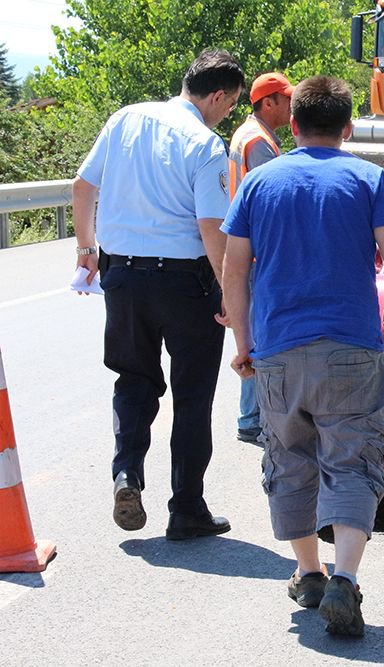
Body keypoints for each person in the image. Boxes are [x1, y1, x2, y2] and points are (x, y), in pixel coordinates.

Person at [221, 75, 384, 636]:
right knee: (353, 459)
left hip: (279, 349)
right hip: (352, 346)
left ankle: (308, 572)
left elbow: (235, 269)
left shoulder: (260, 184)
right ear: (348, 128)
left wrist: (243, 343)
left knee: (289, 459)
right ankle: (345, 580)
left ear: (295, 125)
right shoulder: (368, 178)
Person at [71, 48, 244, 540]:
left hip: (121, 276)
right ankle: (186, 507)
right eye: (229, 104)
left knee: (133, 379)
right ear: (216, 96)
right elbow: (212, 228)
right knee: (192, 396)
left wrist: (87, 248)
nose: (226, 113)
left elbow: (83, 188)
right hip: (186, 283)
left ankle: (127, 472)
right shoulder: (205, 144)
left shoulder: (125, 119)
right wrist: (230, 292)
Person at [227, 71, 295, 445]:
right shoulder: (259, 142)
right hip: (258, 251)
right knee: (260, 337)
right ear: (268, 102)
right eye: (286, 100)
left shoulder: (246, 133)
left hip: (247, 247)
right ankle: (252, 419)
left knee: (253, 334)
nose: (290, 108)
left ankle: (251, 416)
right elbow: (278, 196)